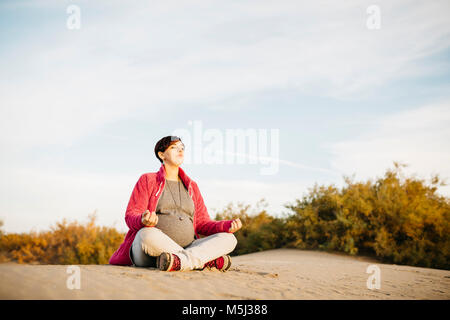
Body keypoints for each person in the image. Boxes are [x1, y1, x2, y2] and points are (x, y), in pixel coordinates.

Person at [109, 135, 242, 272]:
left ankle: (180, 261)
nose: (180, 151)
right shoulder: (148, 180)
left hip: (188, 247)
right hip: (150, 250)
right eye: (174, 148)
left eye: (182, 148)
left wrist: (225, 225)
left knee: (229, 238)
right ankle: (200, 262)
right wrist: (143, 219)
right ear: (162, 155)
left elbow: (202, 223)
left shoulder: (192, 186)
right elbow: (131, 214)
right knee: (146, 234)